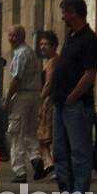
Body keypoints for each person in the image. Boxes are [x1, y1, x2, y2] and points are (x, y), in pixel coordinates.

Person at [51, 0, 97, 194]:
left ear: (74, 13)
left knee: (79, 151)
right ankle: (65, 191)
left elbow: (90, 74)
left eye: (65, 13)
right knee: (60, 151)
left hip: (76, 104)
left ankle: (79, 193)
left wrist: (73, 96)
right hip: (61, 102)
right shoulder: (70, 38)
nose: (63, 17)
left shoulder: (89, 40)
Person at [4, 24, 46, 183]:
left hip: (22, 95)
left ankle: (19, 171)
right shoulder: (31, 53)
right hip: (35, 94)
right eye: (10, 35)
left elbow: (16, 78)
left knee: (15, 133)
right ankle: (36, 159)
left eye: (14, 35)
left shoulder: (20, 54)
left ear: (22, 36)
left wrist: (8, 99)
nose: (11, 38)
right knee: (29, 131)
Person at [36, 30, 60, 179]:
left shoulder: (52, 62)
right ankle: (49, 163)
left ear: (54, 46)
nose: (43, 47)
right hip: (51, 100)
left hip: (49, 101)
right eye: (41, 44)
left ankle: (50, 163)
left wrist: (40, 99)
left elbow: (49, 83)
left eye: (46, 44)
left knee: (44, 136)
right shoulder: (52, 60)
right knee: (46, 136)